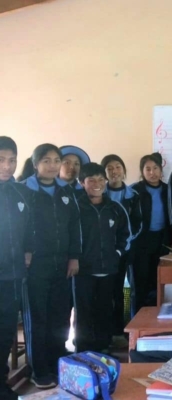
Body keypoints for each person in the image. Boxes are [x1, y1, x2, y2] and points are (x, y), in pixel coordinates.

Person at [21, 144, 80, 390]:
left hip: (62, 263)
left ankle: (59, 363)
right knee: (38, 317)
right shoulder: (24, 190)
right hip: (35, 264)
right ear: (35, 164)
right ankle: (40, 369)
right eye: (46, 161)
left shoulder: (66, 192)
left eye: (57, 160)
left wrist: (74, 257)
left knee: (60, 317)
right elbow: (18, 225)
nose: (53, 165)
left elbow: (74, 227)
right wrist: (25, 251)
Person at [74, 163, 131, 353]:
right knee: (83, 312)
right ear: (82, 183)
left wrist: (117, 254)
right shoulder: (76, 207)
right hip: (83, 270)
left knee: (105, 309)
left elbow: (126, 235)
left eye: (101, 179)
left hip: (109, 269)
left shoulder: (115, 208)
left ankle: (103, 347)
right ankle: (83, 349)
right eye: (91, 180)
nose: (97, 184)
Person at [0, 137, 33, 400]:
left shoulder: (21, 192)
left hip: (12, 275)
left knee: (6, 329)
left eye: (12, 160)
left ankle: (2, 383)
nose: (7, 166)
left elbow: (30, 229)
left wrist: (29, 251)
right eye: (1, 160)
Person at [100, 154, 142, 345]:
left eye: (118, 167)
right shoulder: (99, 194)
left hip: (127, 249)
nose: (114, 171)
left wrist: (125, 243)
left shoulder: (133, 195)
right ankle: (110, 330)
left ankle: (124, 328)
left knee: (126, 290)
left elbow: (138, 223)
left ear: (124, 170)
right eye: (110, 168)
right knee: (109, 291)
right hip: (104, 251)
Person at [131, 153, 171, 311]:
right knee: (140, 284)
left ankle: (157, 321)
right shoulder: (135, 190)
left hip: (162, 240)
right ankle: (137, 323)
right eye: (148, 169)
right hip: (141, 241)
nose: (152, 172)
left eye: (156, 168)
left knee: (160, 282)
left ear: (161, 170)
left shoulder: (168, 189)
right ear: (142, 171)